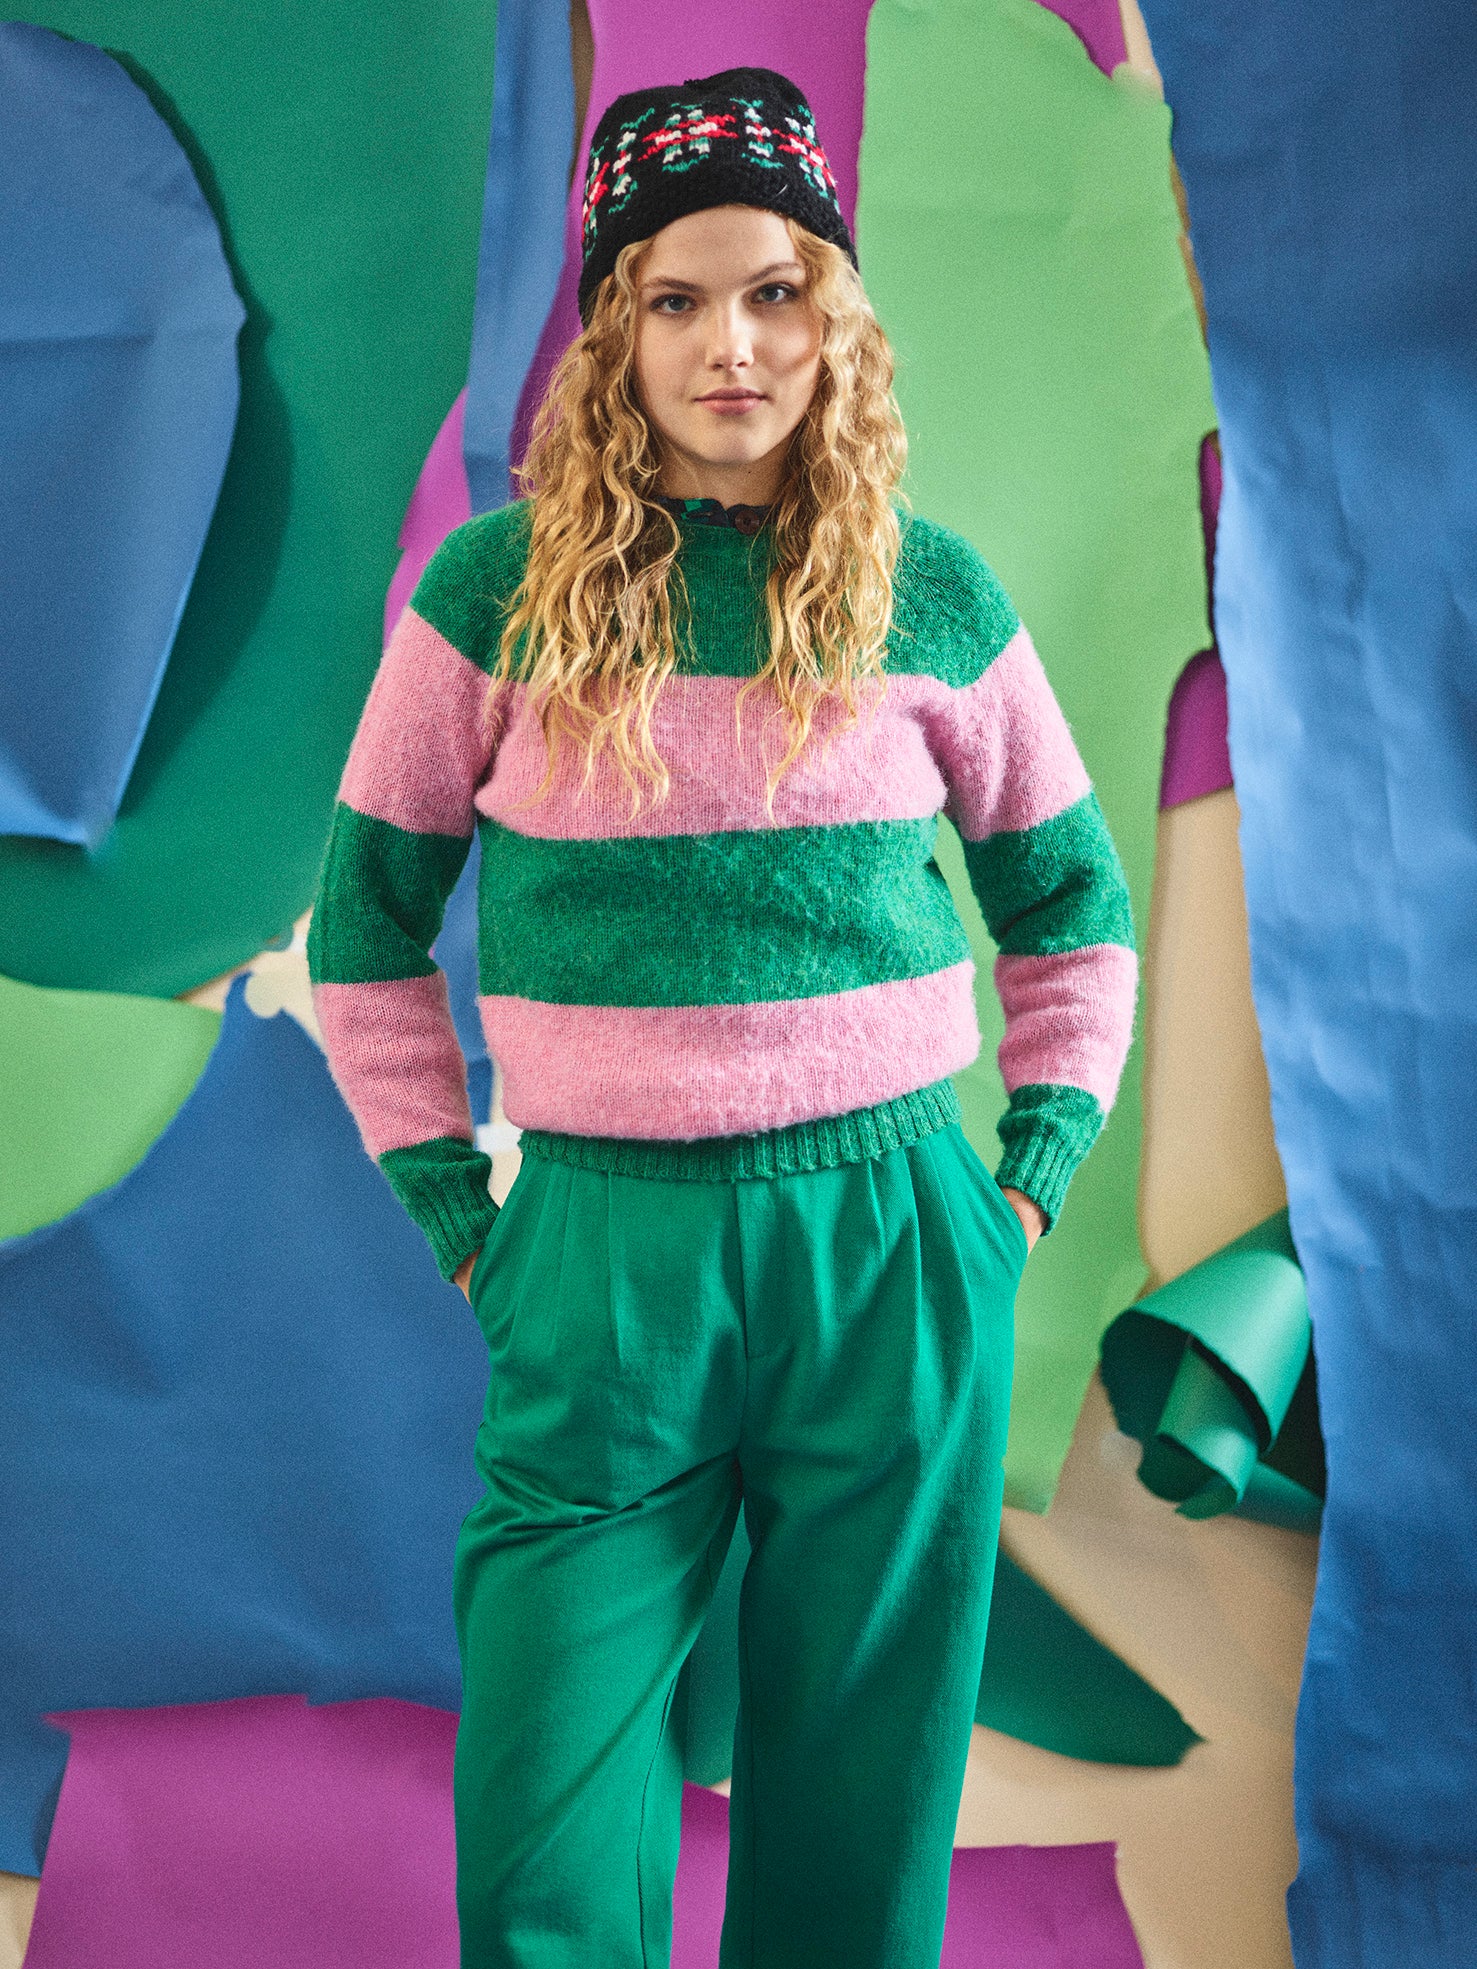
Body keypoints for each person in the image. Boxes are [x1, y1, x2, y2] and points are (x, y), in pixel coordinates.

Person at [307, 66, 1136, 1969]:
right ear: (614, 327)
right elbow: (360, 936)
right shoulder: (492, 597)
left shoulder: (930, 595)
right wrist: (458, 1213)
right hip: (601, 1251)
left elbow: (1075, 918)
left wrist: (1016, 1193)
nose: (729, 345)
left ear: (832, 310)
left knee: (860, 1799)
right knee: (545, 1823)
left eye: (773, 290)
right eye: (673, 299)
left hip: (892, 1237)